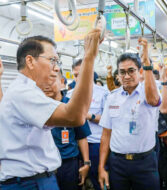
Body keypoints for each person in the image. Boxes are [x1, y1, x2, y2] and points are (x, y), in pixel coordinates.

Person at [0, 29, 102, 189]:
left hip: (37, 179)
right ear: (30, 61)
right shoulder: (23, 93)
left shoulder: (30, 91)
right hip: (29, 183)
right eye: (52, 60)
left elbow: (79, 113)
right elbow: (75, 116)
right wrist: (89, 58)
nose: (56, 68)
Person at [98, 38, 161, 190]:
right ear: (118, 75)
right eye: (122, 72)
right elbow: (106, 134)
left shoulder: (147, 92)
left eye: (131, 71)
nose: (126, 76)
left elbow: (153, 100)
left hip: (144, 162)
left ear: (140, 72)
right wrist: (101, 167)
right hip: (118, 164)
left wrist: (146, 62)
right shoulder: (112, 98)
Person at [43, 70, 91, 190]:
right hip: (45, 166)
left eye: (51, 80)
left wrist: (86, 163)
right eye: (43, 81)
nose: (47, 85)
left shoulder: (72, 107)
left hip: (68, 164)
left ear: (62, 82)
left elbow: (82, 137)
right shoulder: (39, 107)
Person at [68, 59, 109, 190]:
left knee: (99, 181)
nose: (78, 78)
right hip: (76, 146)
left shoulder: (103, 93)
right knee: (78, 181)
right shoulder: (69, 95)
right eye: (75, 75)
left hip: (96, 145)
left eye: (81, 73)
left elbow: (108, 120)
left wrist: (88, 116)